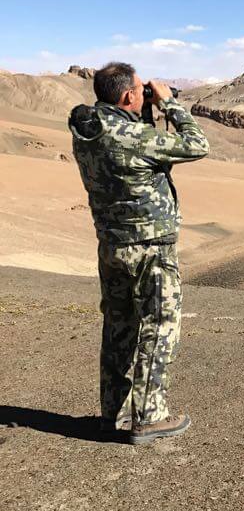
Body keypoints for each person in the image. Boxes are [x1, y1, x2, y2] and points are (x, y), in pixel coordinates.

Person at [68, 62, 209, 445]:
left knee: (118, 326)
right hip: (150, 248)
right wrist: (169, 105)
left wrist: (143, 111)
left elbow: (129, 148)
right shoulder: (134, 136)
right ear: (129, 95)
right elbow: (197, 144)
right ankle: (149, 417)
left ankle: (111, 415)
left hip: (111, 246)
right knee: (160, 325)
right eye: (138, 91)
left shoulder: (87, 131)